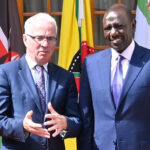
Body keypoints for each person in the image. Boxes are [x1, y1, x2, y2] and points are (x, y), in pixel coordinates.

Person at [0, 13, 81, 150]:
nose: (45, 44)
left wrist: (66, 123)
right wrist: (22, 126)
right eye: (39, 38)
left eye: (51, 39)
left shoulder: (65, 77)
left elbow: (77, 123)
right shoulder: (6, 73)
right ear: (25, 39)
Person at [78, 3, 150, 150]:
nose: (113, 33)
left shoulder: (148, 61)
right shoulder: (91, 64)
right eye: (107, 28)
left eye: (118, 26)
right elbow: (86, 117)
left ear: (133, 25)